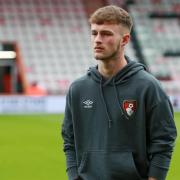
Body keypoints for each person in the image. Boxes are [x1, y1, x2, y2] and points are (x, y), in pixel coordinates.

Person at [62, 5, 177, 180]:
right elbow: (69, 141)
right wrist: (73, 176)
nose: (97, 40)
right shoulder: (78, 89)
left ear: (124, 40)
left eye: (106, 34)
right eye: (94, 33)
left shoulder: (148, 86)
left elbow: (164, 140)